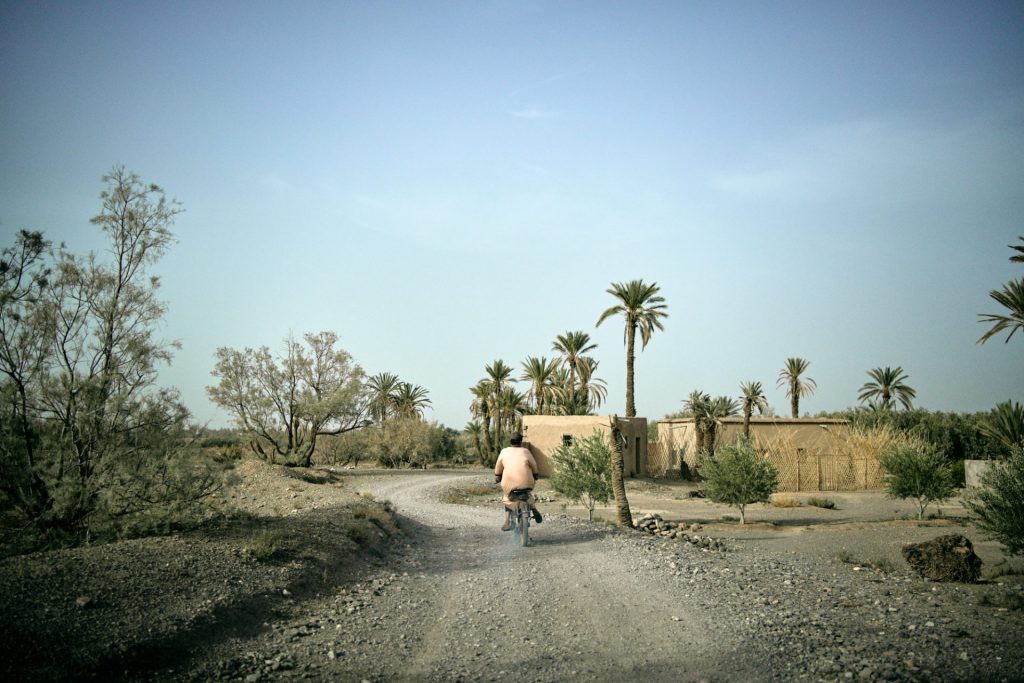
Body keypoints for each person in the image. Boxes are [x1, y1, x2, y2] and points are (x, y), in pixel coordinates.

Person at [494, 431, 543, 530]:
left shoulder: (504, 451)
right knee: (527, 494)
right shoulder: (526, 451)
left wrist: (498, 475)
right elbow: (534, 465)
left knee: (507, 497)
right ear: (521, 442)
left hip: (509, 482)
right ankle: (533, 508)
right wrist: (535, 474)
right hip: (527, 482)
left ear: (510, 441)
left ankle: (508, 521)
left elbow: (498, 466)